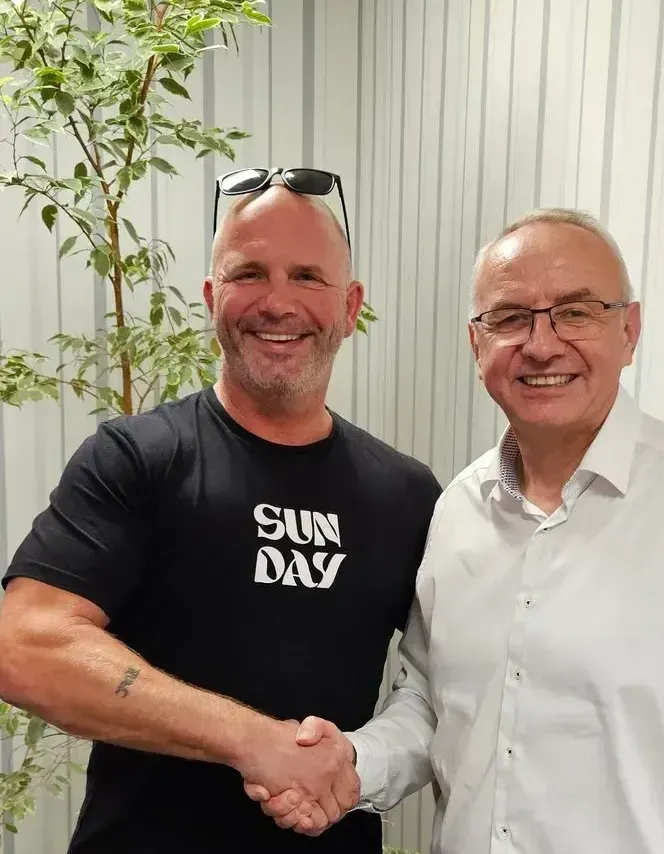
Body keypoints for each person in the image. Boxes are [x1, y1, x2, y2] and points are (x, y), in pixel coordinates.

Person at [257, 208, 664, 853]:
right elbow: (431, 706)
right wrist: (354, 764)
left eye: (576, 312)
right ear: (476, 345)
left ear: (629, 331)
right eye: (510, 317)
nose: (542, 345)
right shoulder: (457, 511)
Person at [0, 172, 442, 854]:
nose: (277, 302)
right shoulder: (138, 458)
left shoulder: (409, 495)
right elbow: (24, 645)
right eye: (249, 273)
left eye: (307, 277)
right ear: (212, 298)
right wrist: (250, 740)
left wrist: (355, 764)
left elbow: (435, 695)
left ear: (350, 306)